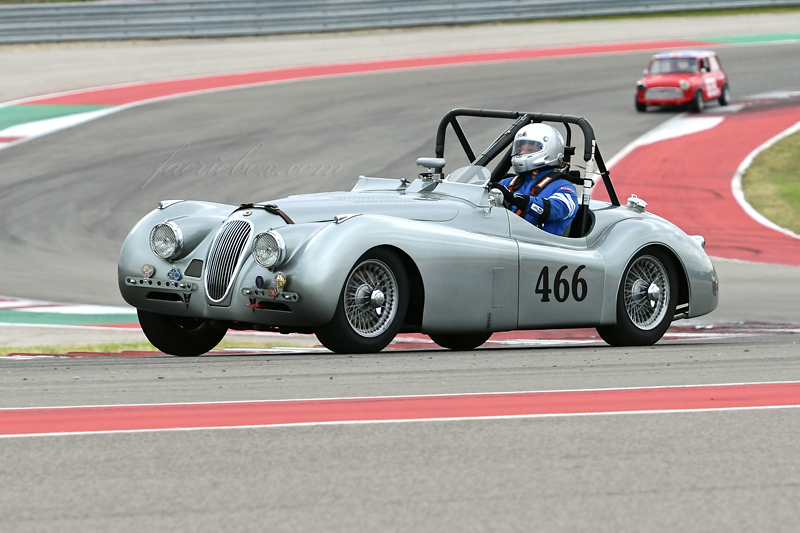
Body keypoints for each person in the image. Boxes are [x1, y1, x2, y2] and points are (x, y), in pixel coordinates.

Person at [490, 123, 578, 236]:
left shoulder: (564, 188)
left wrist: (514, 198)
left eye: (529, 148)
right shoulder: (508, 183)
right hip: (503, 240)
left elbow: (554, 210)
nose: (521, 152)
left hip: (542, 248)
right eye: (520, 148)